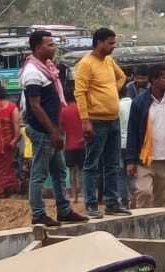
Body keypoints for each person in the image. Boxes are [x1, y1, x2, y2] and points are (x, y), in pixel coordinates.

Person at [22, 30, 87, 227]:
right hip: (42, 130)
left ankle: (64, 210)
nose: (54, 47)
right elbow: (35, 105)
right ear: (38, 47)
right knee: (39, 174)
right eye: (49, 44)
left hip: (51, 130)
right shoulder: (33, 72)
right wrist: (52, 131)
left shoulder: (47, 69)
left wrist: (57, 129)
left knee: (59, 171)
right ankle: (38, 213)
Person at [74, 27, 129, 218]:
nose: (113, 47)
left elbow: (122, 76)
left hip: (113, 119)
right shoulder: (85, 64)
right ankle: (90, 204)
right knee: (92, 165)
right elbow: (79, 93)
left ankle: (112, 203)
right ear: (99, 43)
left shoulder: (109, 61)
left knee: (113, 164)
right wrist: (85, 120)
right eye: (110, 43)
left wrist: (110, 90)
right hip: (96, 121)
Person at [127, 63, 165, 208]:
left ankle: (158, 229)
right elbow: (132, 132)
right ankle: (141, 228)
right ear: (154, 80)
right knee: (144, 192)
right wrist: (130, 160)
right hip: (145, 159)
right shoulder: (139, 103)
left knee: (161, 199)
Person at [59, 88, 85, 203]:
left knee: (72, 172)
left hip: (69, 145)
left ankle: (74, 196)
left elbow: (61, 129)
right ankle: (84, 194)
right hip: (82, 144)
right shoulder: (81, 109)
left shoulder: (63, 111)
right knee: (82, 171)